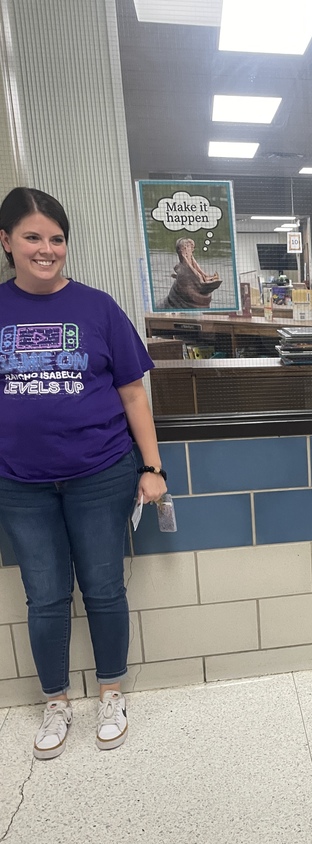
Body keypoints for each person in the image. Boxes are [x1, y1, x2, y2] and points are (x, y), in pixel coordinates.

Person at [0, 186, 167, 759]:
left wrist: (152, 466)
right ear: (6, 242)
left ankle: (111, 691)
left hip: (101, 472)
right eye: (32, 238)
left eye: (56, 239)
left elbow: (133, 395)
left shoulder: (99, 308)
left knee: (102, 587)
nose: (46, 249)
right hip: (19, 482)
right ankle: (55, 699)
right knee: (44, 594)